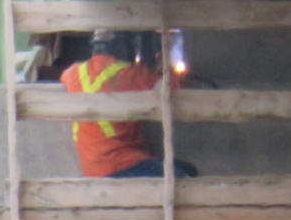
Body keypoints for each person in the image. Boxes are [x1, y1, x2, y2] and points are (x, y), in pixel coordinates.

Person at [60, 30, 196, 179]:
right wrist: (169, 64)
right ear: (123, 48)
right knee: (184, 179)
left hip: (92, 167)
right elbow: (171, 91)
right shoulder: (131, 73)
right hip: (122, 163)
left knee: (186, 167)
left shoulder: (72, 72)